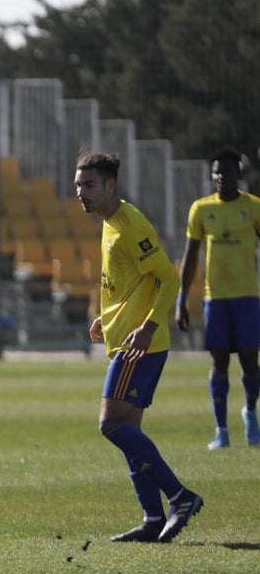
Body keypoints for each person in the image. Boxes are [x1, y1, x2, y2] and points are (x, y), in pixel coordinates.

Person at [75, 152, 203, 543]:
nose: (81, 192)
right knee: (129, 430)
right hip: (124, 339)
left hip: (140, 346)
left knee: (110, 423)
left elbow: (169, 278)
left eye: (89, 185)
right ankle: (151, 518)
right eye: (78, 184)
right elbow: (127, 281)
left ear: (111, 186)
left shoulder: (131, 225)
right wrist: (106, 316)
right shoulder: (110, 220)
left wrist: (148, 326)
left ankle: (180, 496)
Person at [176, 147, 260, 450]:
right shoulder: (201, 209)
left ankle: (250, 412)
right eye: (217, 172)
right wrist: (181, 299)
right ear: (211, 176)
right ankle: (221, 430)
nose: (222, 176)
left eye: (228, 171)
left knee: (251, 362)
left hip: (248, 297)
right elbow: (190, 256)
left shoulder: (253, 208)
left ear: (238, 174)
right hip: (216, 299)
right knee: (219, 360)